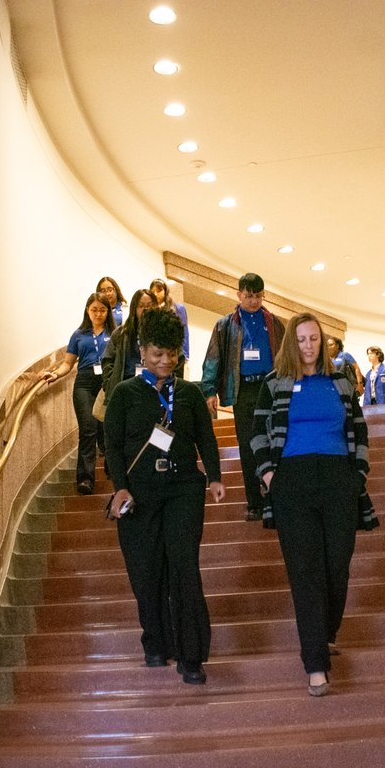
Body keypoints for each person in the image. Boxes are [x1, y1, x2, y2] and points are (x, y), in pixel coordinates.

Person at [251, 312, 377, 696]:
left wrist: (358, 473)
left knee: (337, 566)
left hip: (339, 478)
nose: (308, 346)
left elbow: (357, 427)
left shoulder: (340, 381)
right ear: (292, 342)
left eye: (314, 339)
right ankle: (315, 664)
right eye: (302, 339)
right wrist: (269, 475)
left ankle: (326, 632)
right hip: (293, 480)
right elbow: (257, 431)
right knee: (305, 571)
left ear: (323, 342)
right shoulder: (275, 383)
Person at [104, 309, 226, 685]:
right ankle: (155, 641)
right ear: (142, 351)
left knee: (184, 567)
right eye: (158, 353)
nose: (165, 361)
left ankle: (191, 655)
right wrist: (120, 486)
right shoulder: (124, 394)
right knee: (146, 572)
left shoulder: (189, 393)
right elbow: (113, 447)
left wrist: (215, 477)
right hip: (138, 496)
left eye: (172, 354)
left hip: (183, 490)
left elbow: (205, 437)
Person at [200, 273, 286, 522]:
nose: (253, 301)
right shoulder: (226, 325)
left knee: (274, 442)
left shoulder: (274, 322)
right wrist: (209, 391)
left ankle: (275, 497)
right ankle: (255, 502)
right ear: (239, 295)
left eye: (258, 296)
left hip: (270, 387)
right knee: (249, 446)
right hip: (243, 391)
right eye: (249, 296)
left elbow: (285, 356)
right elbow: (213, 359)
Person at [49, 293, 115, 495]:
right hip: (84, 384)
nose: (98, 314)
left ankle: (112, 468)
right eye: (94, 309)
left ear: (108, 311)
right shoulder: (79, 334)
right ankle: (85, 479)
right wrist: (55, 374)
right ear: (87, 310)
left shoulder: (116, 333)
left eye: (102, 310)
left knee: (109, 427)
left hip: (108, 382)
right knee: (88, 428)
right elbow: (68, 363)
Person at [100, 289, 156, 408]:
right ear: (134, 309)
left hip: (155, 389)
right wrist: (109, 383)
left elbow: (178, 358)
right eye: (141, 306)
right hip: (126, 388)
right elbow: (107, 360)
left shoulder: (164, 332)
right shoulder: (121, 333)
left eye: (150, 306)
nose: (145, 310)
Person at [149, 278, 190, 377]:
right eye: (153, 292)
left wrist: (185, 355)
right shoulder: (149, 310)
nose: (156, 294)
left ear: (165, 291)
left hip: (174, 351)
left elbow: (184, 332)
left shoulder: (177, 308)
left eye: (159, 291)